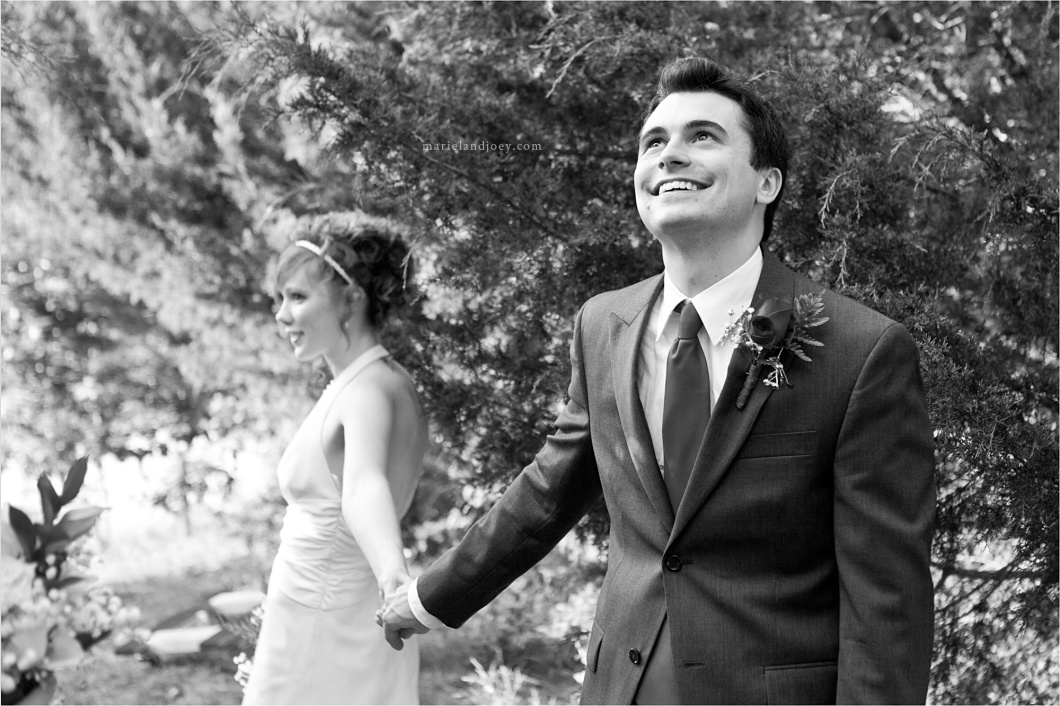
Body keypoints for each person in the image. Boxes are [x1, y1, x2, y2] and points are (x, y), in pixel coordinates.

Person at [381, 57, 935, 704]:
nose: (670, 155)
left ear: (767, 182)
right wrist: (429, 599)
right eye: (654, 142)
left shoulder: (862, 351)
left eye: (703, 136)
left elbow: (886, 600)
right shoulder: (601, 325)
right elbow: (545, 494)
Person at [243, 214, 426, 705]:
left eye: (298, 297)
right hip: (332, 612)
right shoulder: (384, 380)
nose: (282, 315)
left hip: (324, 624)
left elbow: (365, 488)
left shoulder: (366, 391)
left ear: (352, 298)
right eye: (280, 298)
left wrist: (395, 581)